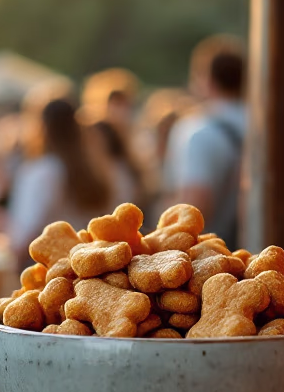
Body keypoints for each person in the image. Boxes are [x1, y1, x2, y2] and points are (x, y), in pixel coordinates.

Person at [162, 37, 248, 247]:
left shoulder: (198, 131)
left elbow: (194, 207)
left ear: (206, 79)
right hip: (256, 250)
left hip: (209, 258)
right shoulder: (264, 125)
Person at [7, 98, 113, 255]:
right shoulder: (95, 168)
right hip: (87, 258)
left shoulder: (42, 170)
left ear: (41, 127)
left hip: (50, 263)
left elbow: (26, 230)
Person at [82, 68, 144, 208]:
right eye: (115, 103)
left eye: (126, 103)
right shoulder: (92, 137)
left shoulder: (128, 144)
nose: (122, 110)